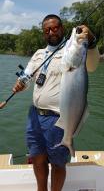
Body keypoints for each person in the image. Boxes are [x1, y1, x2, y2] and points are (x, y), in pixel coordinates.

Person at [13, 14, 99, 191]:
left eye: (54, 28)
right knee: (37, 158)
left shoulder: (72, 49)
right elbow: (28, 76)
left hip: (59, 118)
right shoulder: (38, 54)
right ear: (43, 33)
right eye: (46, 30)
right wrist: (22, 83)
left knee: (59, 164)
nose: (51, 32)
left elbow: (91, 65)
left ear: (62, 28)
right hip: (35, 116)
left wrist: (90, 41)